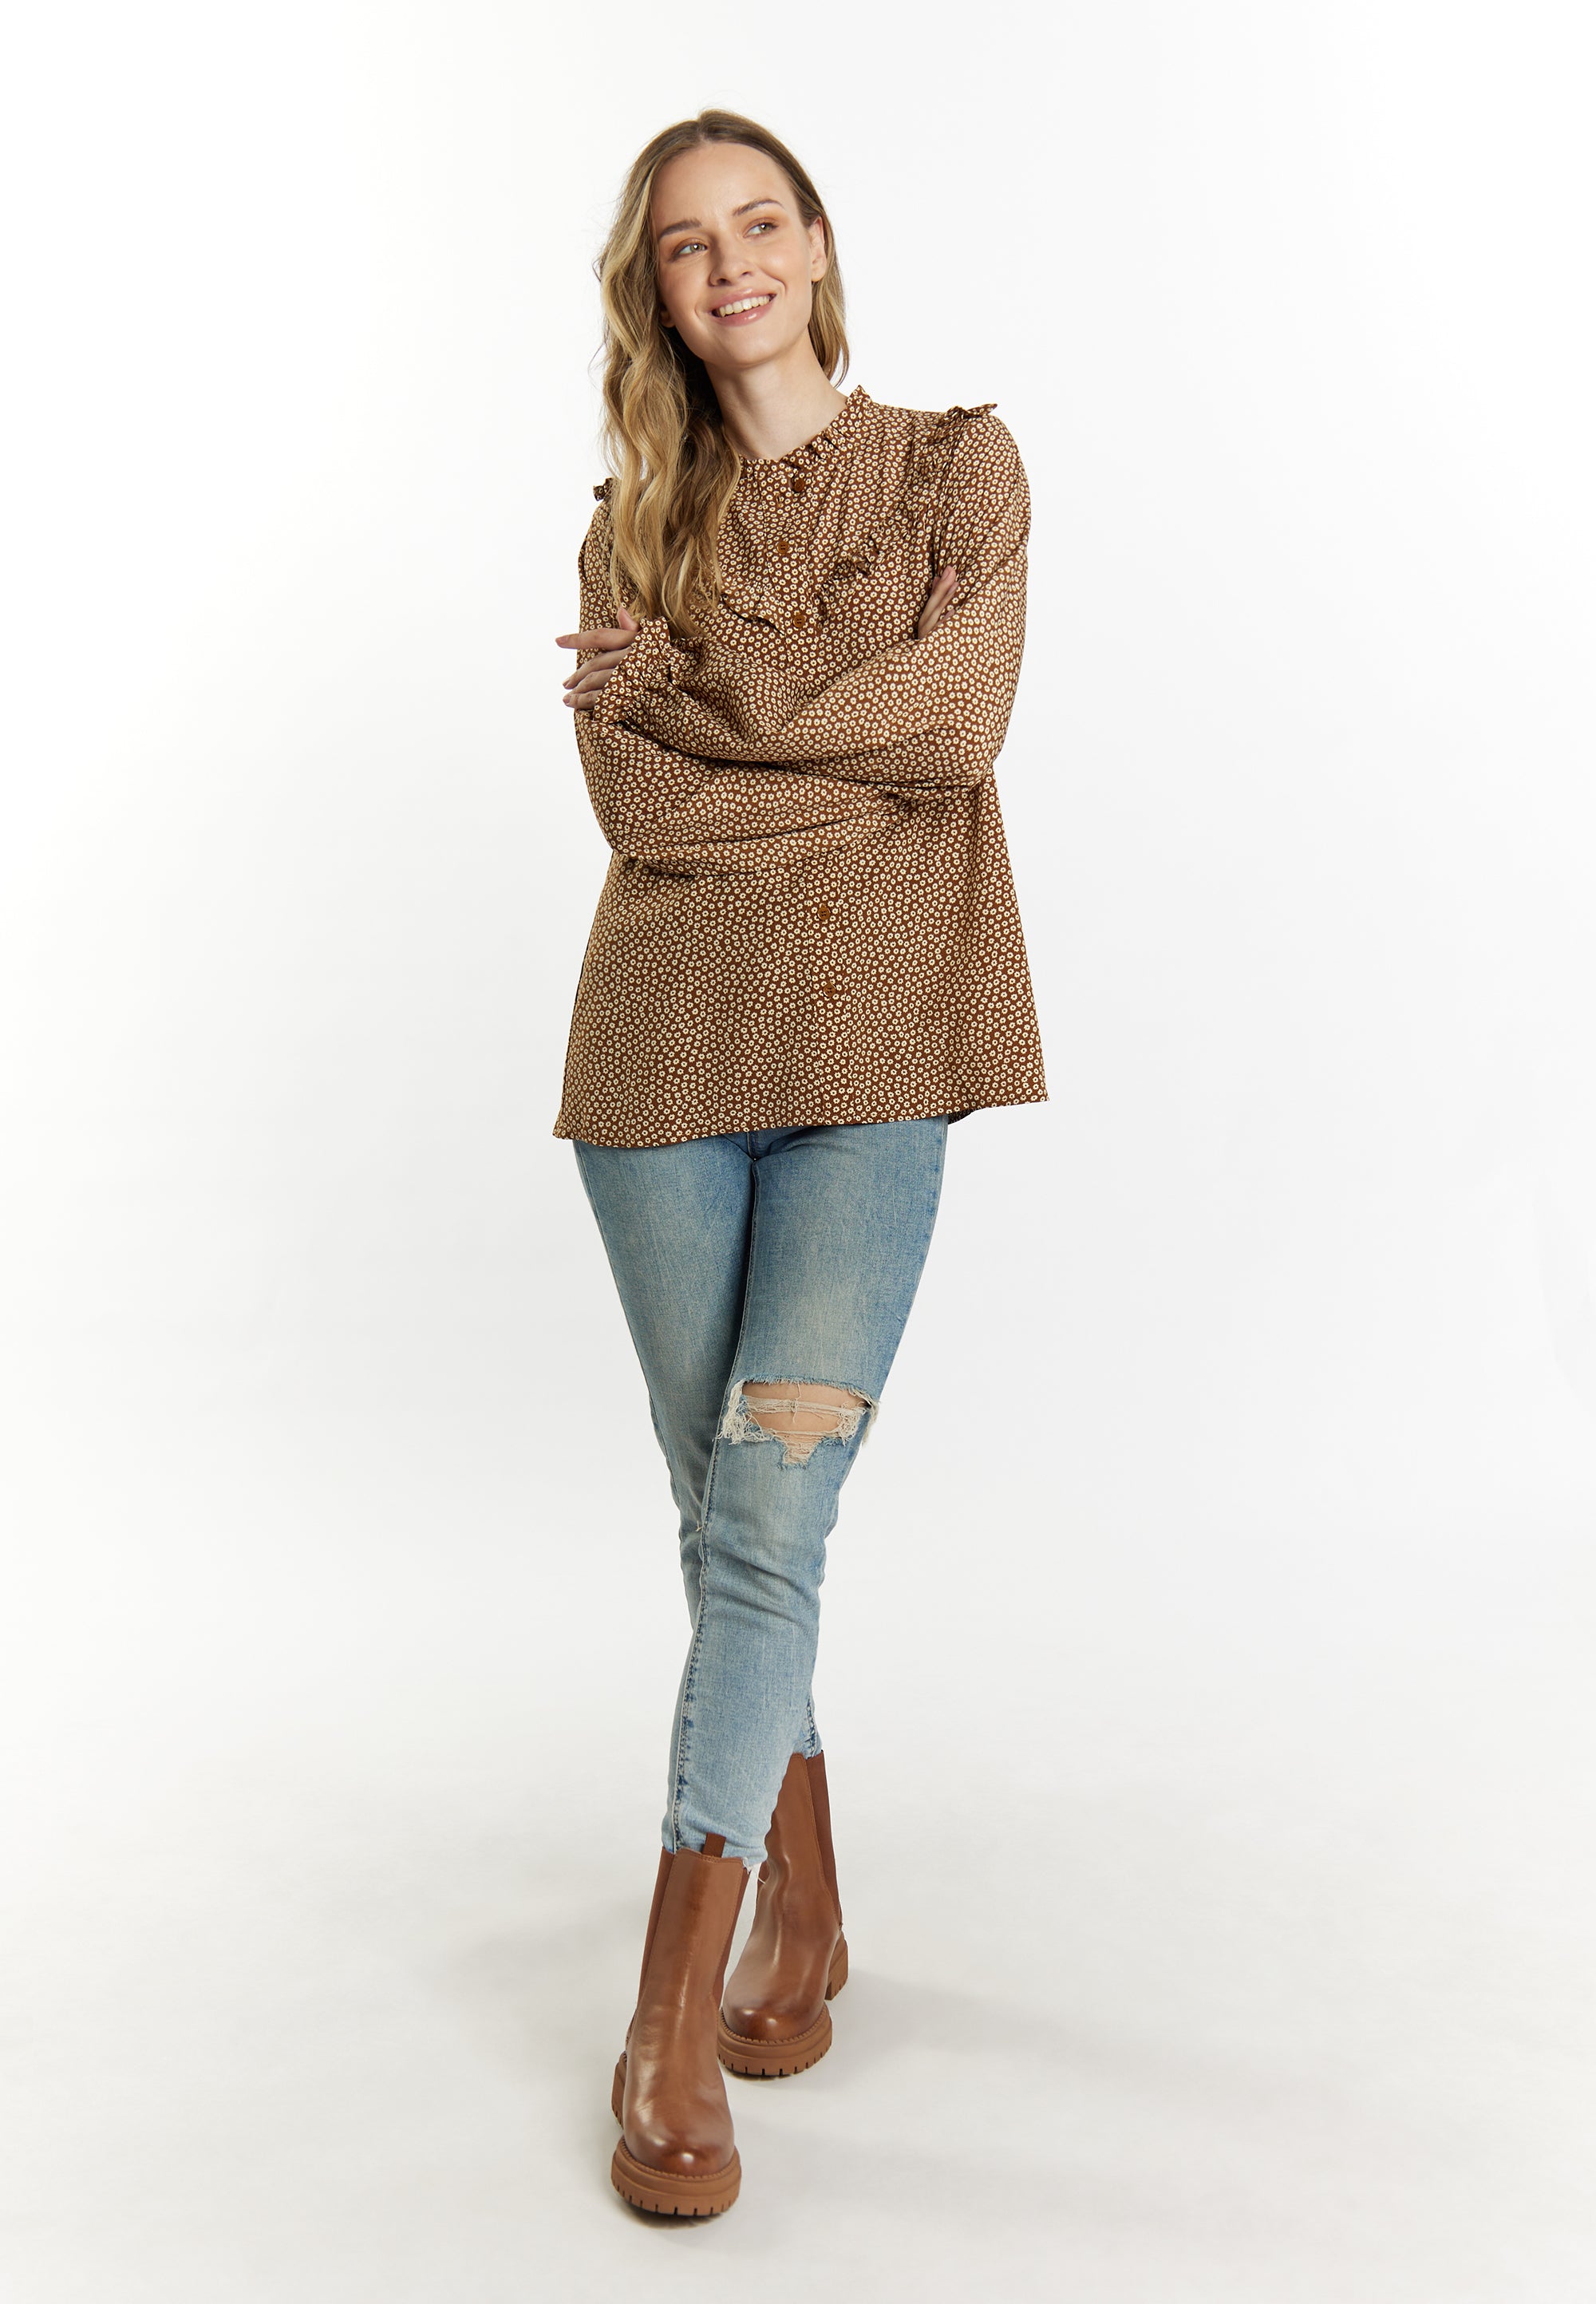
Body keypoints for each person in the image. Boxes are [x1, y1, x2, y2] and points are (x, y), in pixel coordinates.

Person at [554, 108, 1046, 2218]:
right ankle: (807, 1908)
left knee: (767, 1511)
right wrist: (794, 752)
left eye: (761, 222)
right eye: (688, 244)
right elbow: (640, 817)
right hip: (657, 1063)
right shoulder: (632, 533)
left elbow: (959, 729)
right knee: (729, 1518)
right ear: (660, 295)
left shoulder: (956, 473)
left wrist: (715, 704)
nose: (732, 262)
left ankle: (666, 2024)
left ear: (821, 245)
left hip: (878, 1064)